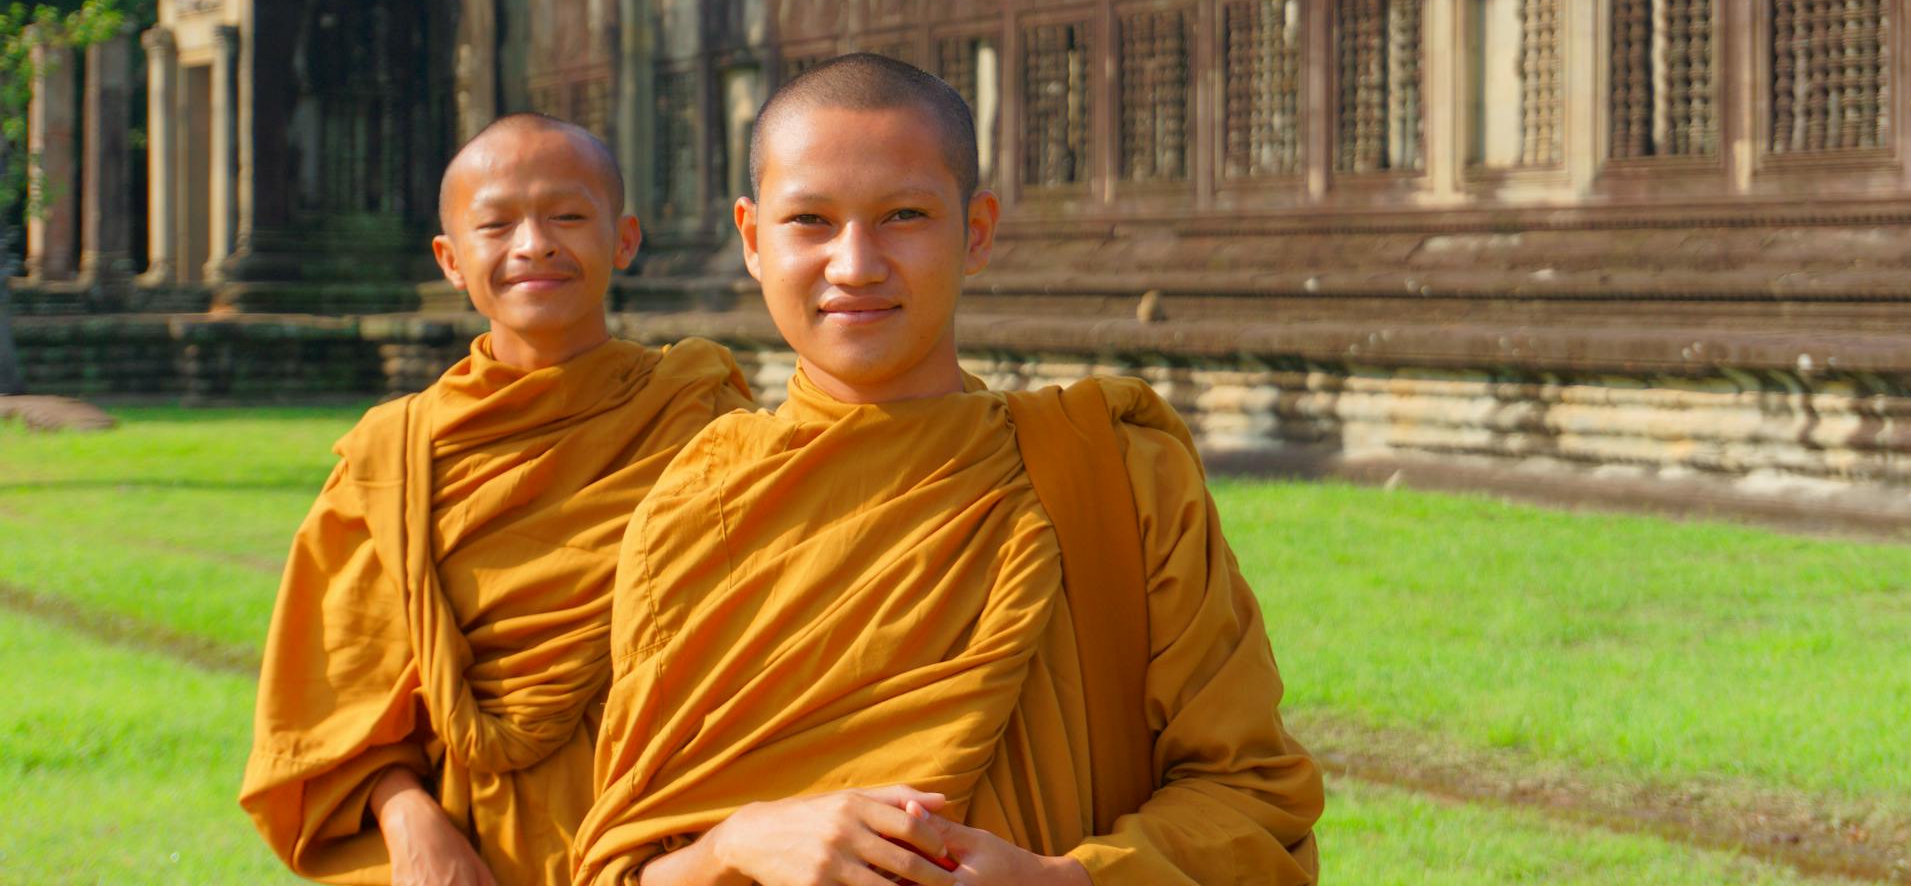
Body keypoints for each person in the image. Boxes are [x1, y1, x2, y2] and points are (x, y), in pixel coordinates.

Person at [571, 55, 1322, 886]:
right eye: (810, 221)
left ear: (977, 232)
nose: (855, 265)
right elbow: (626, 866)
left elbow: (1252, 799)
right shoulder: (690, 514)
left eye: (902, 215)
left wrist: (1064, 880)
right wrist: (735, 846)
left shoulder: (1113, 474)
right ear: (752, 239)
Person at [242, 113, 753, 886]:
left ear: (624, 240)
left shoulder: (702, 416)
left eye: (568, 217)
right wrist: (406, 818)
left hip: (678, 844)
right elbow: (332, 699)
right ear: (450, 259)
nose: (533, 245)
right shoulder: (399, 458)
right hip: (464, 854)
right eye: (496, 224)